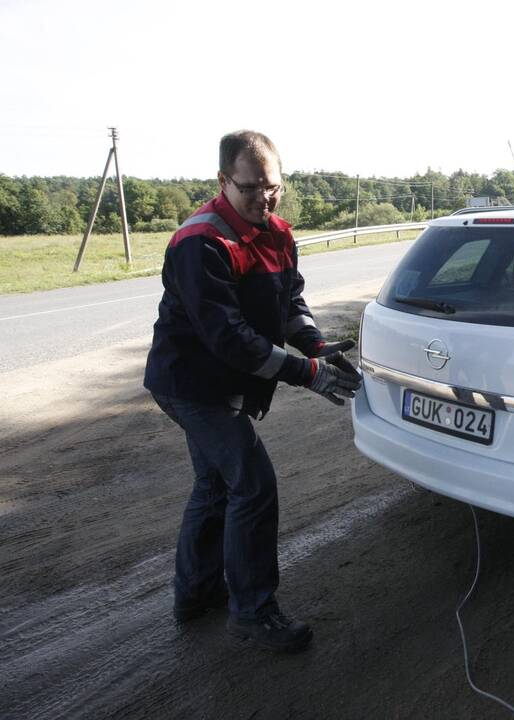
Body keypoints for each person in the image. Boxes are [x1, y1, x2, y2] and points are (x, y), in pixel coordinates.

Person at [144, 130, 362, 650]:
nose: (264, 198)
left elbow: (290, 301)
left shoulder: (278, 233)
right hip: (190, 384)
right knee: (253, 485)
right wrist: (308, 374)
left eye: (273, 187)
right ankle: (253, 611)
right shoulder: (203, 242)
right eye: (251, 189)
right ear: (224, 182)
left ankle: (196, 593)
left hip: (218, 380)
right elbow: (230, 340)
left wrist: (315, 344)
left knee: (217, 485)